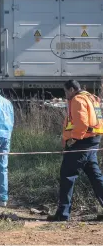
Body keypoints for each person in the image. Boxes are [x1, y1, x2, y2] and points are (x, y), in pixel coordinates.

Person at [48, 80, 103, 221]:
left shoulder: (77, 99)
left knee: (67, 174)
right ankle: (63, 212)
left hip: (81, 142)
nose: (66, 95)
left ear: (72, 89)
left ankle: (63, 214)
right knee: (95, 177)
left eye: (66, 92)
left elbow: (82, 123)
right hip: (93, 140)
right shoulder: (91, 98)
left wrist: (73, 139)